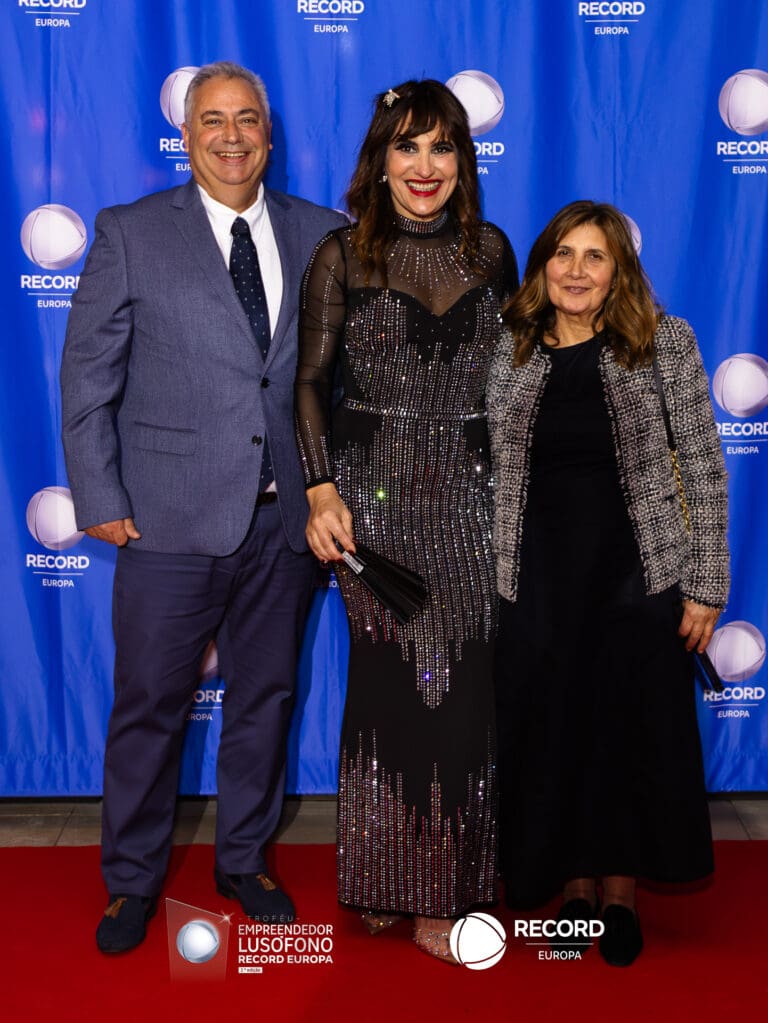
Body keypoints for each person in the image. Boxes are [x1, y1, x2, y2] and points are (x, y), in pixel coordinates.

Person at [60, 61, 346, 954]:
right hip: (166, 519)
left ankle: (245, 860)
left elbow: (338, 381)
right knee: (149, 704)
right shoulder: (131, 232)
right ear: (185, 136)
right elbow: (86, 378)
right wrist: (98, 494)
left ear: (270, 134)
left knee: (267, 697)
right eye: (213, 120)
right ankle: (131, 880)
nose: (232, 136)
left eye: (247, 119)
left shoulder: (323, 234)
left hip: (285, 524)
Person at [295, 79, 518, 964]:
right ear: (380, 160)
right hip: (373, 504)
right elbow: (309, 383)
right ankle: (384, 877)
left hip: (470, 499)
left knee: (459, 693)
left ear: (463, 161)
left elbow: (516, 381)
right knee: (392, 689)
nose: (425, 166)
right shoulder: (341, 255)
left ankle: (442, 888)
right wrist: (321, 489)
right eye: (407, 146)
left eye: (442, 147)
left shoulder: (492, 252)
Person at [487, 200, 729, 966]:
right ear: (542, 266)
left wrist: (706, 584)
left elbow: (703, 465)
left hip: (637, 575)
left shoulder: (663, 342)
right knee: (554, 728)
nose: (577, 270)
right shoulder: (510, 347)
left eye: (595, 256)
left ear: (619, 270)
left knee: (627, 731)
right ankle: (573, 886)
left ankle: (619, 892)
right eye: (563, 253)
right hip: (536, 577)